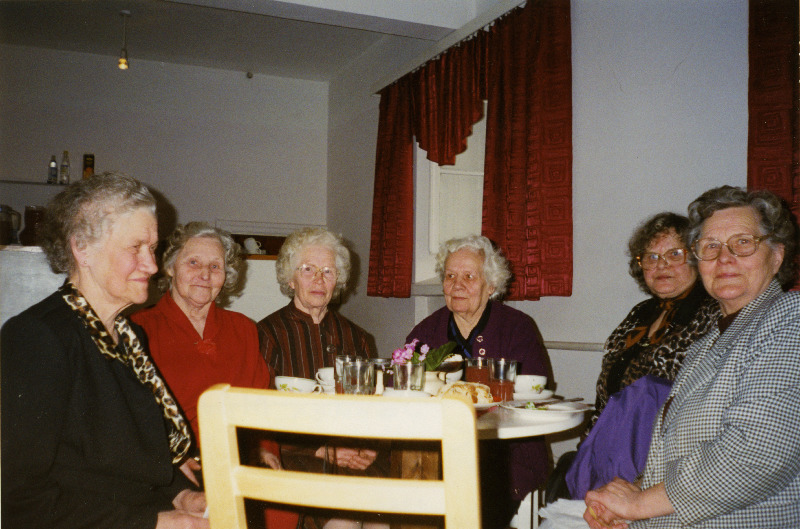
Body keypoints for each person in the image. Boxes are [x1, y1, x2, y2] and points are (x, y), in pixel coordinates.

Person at [584, 186, 800, 529]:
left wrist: (640, 503)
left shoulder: (790, 319)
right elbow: (678, 450)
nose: (724, 258)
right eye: (710, 246)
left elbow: (757, 453)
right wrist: (632, 495)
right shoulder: (708, 342)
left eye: (743, 242)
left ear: (776, 256)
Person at [1, 173, 208, 529]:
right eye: (135, 248)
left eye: (153, 248)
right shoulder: (38, 337)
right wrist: (156, 522)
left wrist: (181, 495)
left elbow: (128, 455)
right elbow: (19, 502)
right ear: (82, 248)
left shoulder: (130, 336)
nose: (152, 265)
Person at [131, 222, 297, 529]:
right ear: (170, 267)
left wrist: (263, 447)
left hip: (236, 457)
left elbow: (259, 398)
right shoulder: (140, 329)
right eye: (193, 262)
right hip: (174, 467)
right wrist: (169, 458)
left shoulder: (243, 328)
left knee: (281, 512)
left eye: (215, 266)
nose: (205, 274)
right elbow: (131, 418)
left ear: (226, 275)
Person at [405, 234, 551, 529]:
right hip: (437, 451)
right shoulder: (426, 333)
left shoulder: (517, 328)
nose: (457, 285)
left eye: (469, 276)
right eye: (450, 276)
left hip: (506, 453)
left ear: (491, 285)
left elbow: (532, 395)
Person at [256, 227, 382, 529]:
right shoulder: (266, 335)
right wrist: (319, 450)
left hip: (356, 459)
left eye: (328, 271)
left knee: (382, 519)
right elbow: (258, 414)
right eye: (308, 270)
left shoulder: (358, 338)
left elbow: (376, 408)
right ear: (290, 278)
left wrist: (372, 448)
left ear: (338, 280)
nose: (319, 279)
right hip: (298, 457)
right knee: (344, 521)